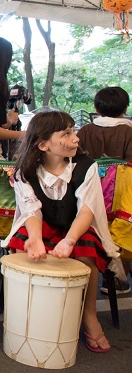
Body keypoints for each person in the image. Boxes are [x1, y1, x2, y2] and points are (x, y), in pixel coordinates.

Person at [1, 111, 124, 353]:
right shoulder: (25, 170)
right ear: (43, 144)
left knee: (86, 248)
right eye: (66, 134)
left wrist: (69, 240)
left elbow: (87, 210)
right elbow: (31, 210)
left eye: (73, 131)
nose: (75, 139)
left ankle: (88, 313)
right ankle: (26, 310)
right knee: (21, 242)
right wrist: (35, 239)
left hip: (74, 226)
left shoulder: (86, 167)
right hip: (42, 223)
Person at [77, 86, 132, 294]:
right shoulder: (128, 131)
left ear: (96, 107)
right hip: (119, 203)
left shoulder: (85, 131)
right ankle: (117, 277)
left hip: (85, 202)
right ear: (125, 108)